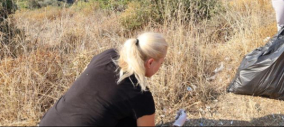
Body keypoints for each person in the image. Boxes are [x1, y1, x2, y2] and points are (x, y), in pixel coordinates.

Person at [39, 32, 187, 126]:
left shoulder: (107, 55)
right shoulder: (141, 96)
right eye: (161, 63)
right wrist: (178, 124)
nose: (161, 67)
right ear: (150, 62)